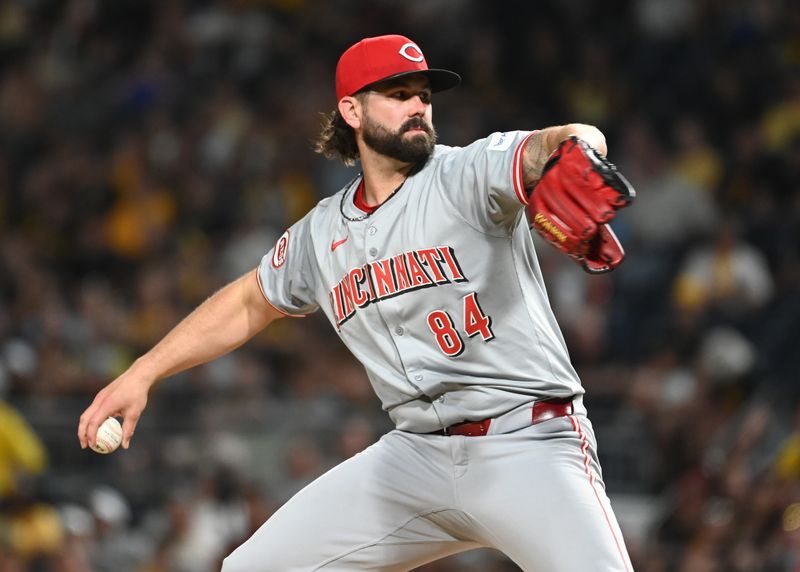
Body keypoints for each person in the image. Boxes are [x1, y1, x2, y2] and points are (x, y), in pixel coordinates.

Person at [78, 34, 635, 571]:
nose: (418, 106)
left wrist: (578, 147)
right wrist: (143, 372)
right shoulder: (321, 233)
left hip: (527, 442)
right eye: (398, 94)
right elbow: (250, 301)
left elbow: (552, 143)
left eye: (424, 94)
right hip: (414, 457)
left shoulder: (466, 173)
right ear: (352, 110)